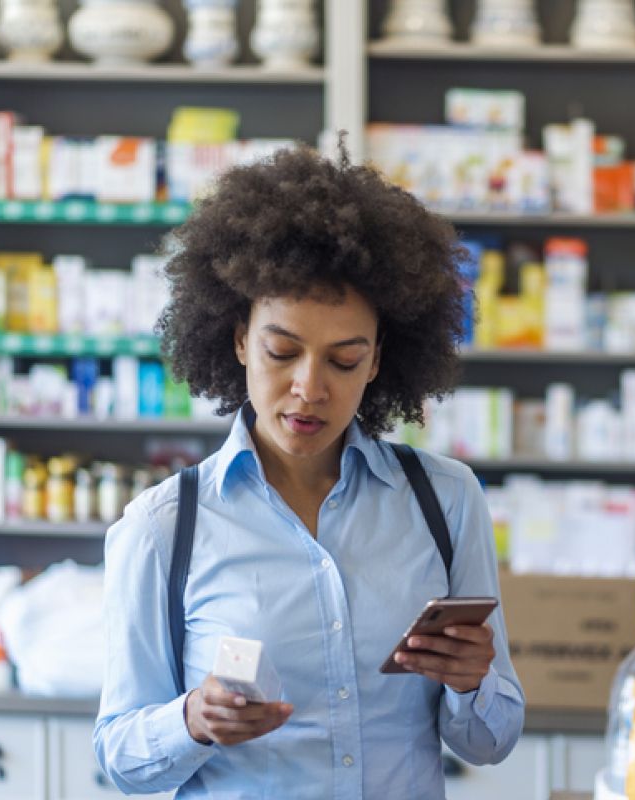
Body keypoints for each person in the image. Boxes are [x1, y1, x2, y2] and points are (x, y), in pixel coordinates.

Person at [93, 146, 525, 798]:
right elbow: (119, 757)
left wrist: (472, 683)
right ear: (240, 339)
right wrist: (192, 721)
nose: (308, 388)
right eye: (281, 351)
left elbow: (491, 741)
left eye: (344, 360)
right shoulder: (163, 527)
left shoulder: (445, 499)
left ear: (379, 359)